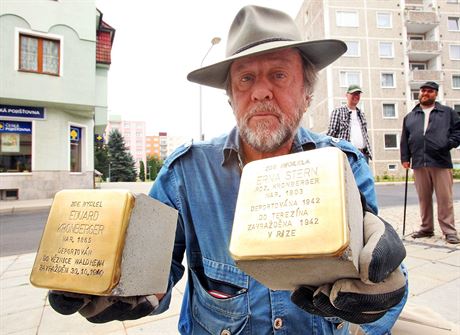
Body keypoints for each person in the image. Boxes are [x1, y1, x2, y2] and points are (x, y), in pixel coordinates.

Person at [48, 5, 408, 334]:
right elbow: (156, 270)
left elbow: (377, 273)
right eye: (246, 79)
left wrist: (377, 296)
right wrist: (117, 291)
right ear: (231, 97)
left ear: (307, 92)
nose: (261, 92)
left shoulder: (345, 165)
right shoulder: (184, 174)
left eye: (279, 75)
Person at [400, 81, 460, 244]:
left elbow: (458, 131)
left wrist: (448, 144)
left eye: (429, 91)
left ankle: (449, 231)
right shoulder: (410, 116)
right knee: (423, 198)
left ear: (436, 94)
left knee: (444, 198)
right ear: (419, 93)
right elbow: (405, 139)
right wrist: (405, 158)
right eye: (423, 90)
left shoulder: (447, 113)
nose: (425, 93)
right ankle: (426, 228)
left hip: (440, 161)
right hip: (419, 162)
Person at [327, 85, 372, 163]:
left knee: (365, 175)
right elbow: (331, 135)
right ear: (347, 95)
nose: (356, 96)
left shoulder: (361, 114)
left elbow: (365, 135)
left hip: (363, 155)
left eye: (358, 94)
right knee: (348, 175)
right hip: (347, 154)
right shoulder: (338, 112)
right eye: (353, 94)